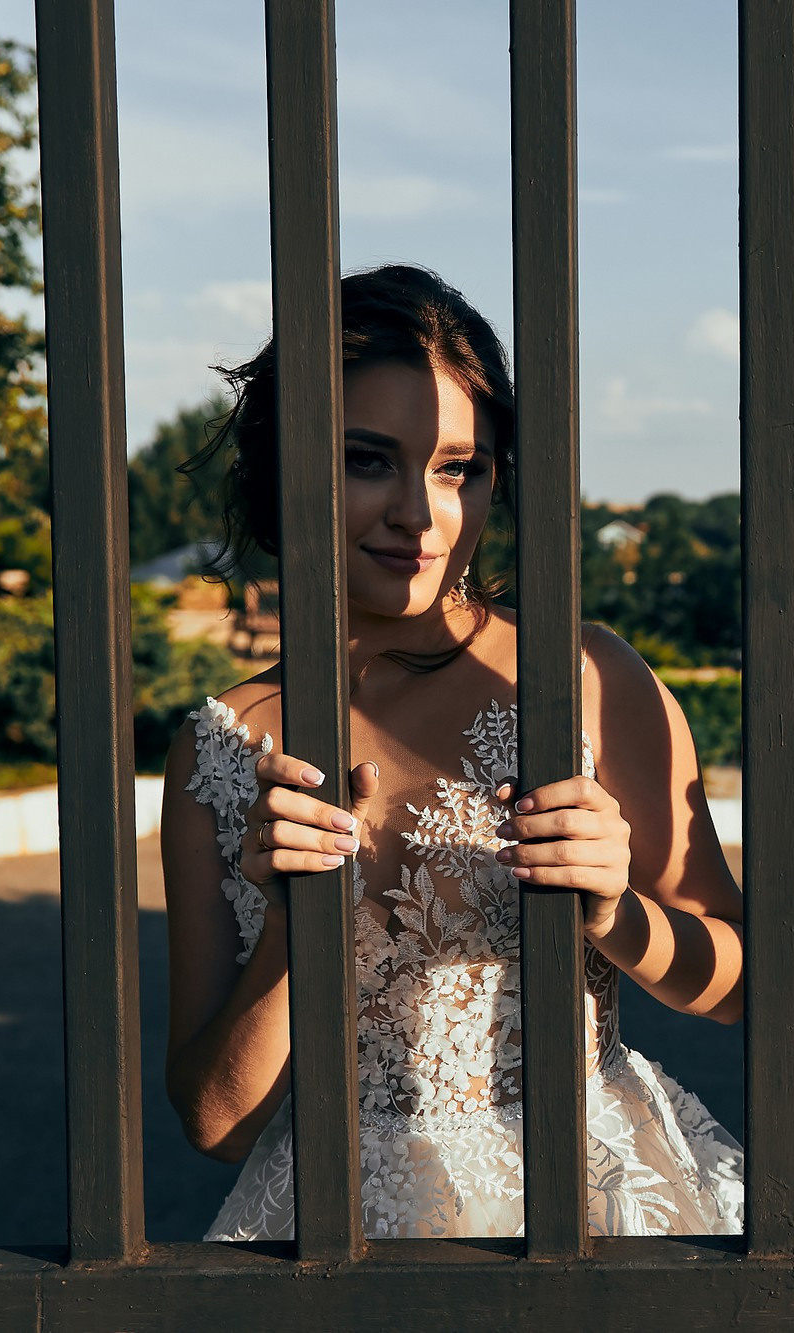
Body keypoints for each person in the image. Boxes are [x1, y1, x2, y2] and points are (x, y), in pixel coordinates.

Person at [162, 264, 744, 1240]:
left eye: (457, 468)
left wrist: (617, 910)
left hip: (585, 1201)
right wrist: (294, 926)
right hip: (334, 1228)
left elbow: (738, 988)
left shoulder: (587, 677)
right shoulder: (220, 747)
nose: (419, 514)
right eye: (368, 460)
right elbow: (216, 1125)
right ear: (285, 464)